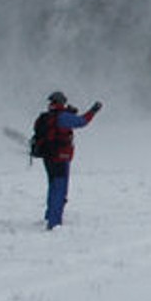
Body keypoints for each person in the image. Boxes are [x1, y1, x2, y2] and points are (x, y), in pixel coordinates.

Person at [38, 91, 102, 230]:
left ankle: (49, 216)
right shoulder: (63, 117)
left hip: (48, 157)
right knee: (59, 189)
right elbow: (82, 121)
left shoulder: (49, 116)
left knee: (53, 186)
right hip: (60, 157)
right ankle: (54, 222)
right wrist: (93, 110)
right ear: (62, 102)